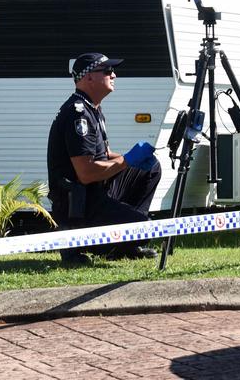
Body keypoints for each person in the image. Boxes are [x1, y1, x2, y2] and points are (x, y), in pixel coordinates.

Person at [47, 52, 162, 264]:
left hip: (96, 192)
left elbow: (105, 155)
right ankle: (77, 246)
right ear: (88, 77)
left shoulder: (94, 109)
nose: (114, 75)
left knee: (152, 168)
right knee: (144, 228)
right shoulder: (77, 113)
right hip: (77, 203)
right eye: (108, 71)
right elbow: (87, 173)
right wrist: (127, 159)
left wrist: (138, 159)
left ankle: (123, 244)